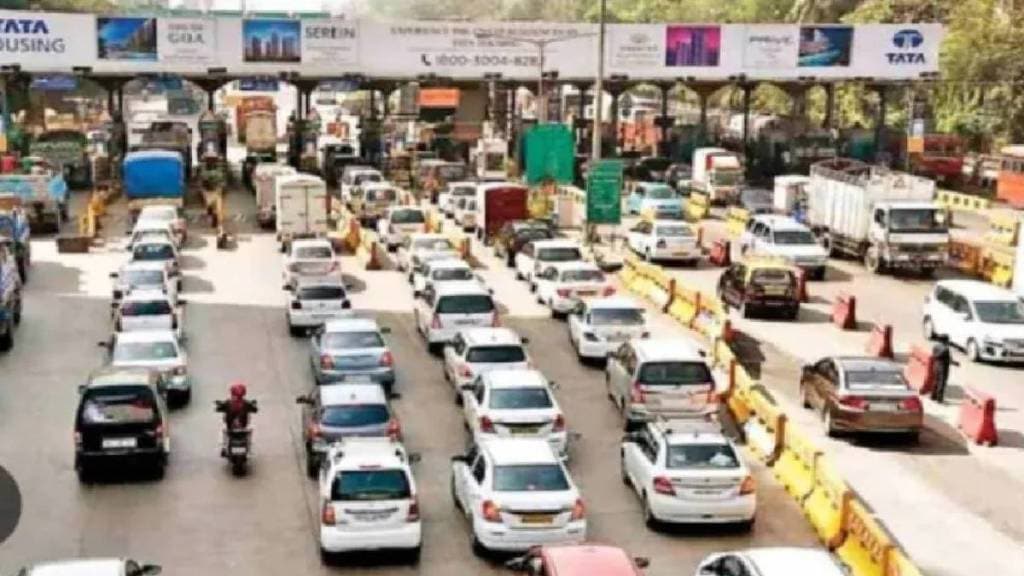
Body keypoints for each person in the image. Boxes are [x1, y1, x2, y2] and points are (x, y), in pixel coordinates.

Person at [931, 336, 958, 403]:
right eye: (947, 340)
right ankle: (939, 398)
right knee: (942, 383)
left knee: (936, 381)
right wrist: (955, 363)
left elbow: (933, 355)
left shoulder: (935, 346)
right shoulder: (946, 349)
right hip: (943, 367)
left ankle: (933, 396)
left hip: (936, 365)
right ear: (945, 341)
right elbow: (949, 360)